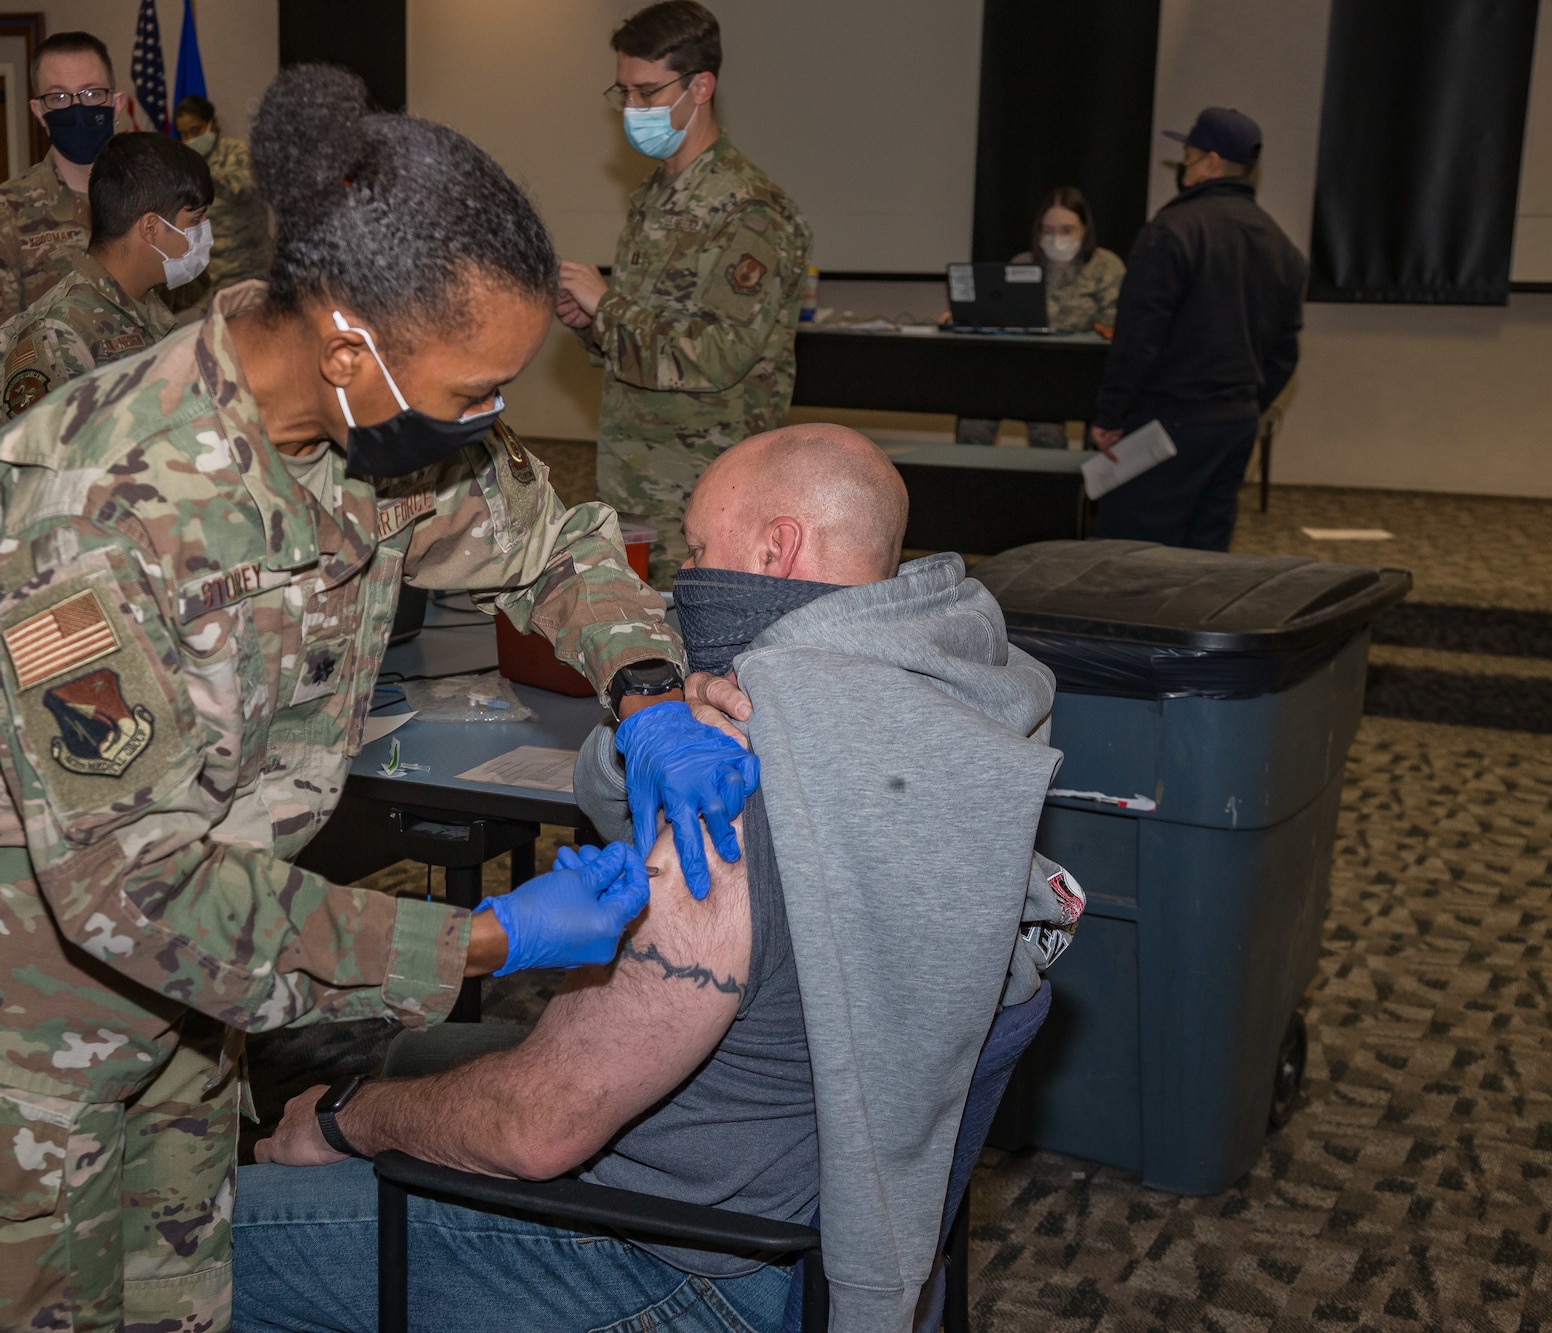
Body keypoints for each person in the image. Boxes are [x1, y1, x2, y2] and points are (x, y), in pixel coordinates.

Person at [0, 65, 760, 1332]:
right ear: (346, 344)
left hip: (198, 1004)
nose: (488, 419)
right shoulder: (83, 503)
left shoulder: (372, 432)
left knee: (180, 1307)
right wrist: (480, 942)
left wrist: (642, 689)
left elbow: (559, 542)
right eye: (469, 392)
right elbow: (130, 884)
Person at [234, 425, 1082, 1333]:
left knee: (188, 1246)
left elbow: (536, 1127)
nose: (685, 572)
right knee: (421, 1063)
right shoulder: (941, 696)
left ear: (774, 549)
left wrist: (343, 1119)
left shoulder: (735, 795)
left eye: (700, 548)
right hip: (790, 1199)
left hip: (674, 1263)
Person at [555, 0, 812, 585]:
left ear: (701, 87)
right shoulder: (654, 196)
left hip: (705, 496)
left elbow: (718, 355)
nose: (631, 108)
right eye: (622, 92)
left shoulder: (751, 209)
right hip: (632, 479)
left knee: (700, 663)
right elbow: (648, 336)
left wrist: (608, 303)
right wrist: (589, 321)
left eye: (647, 93)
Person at [1089, 107, 1307, 550]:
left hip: (1167, 424)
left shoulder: (1172, 232)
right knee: (1206, 559)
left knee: (1131, 557)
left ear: (1209, 162)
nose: (1181, 169)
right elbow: (1285, 354)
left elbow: (1138, 338)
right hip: (1235, 427)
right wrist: (1242, 405)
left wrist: (1111, 415)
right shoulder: (1284, 247)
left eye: (1186, 157)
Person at [0, 31, 136, 440]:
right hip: (52, 442)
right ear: (38, 110)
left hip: (144, 435)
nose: (77, 108)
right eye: (60, 98)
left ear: (116, 104)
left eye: (91, 94)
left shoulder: (152, 204)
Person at [0, 133, 210, 424]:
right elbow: (50, 464)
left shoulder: (147, 312)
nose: (206, 233)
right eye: (195, 221)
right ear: (151, 228)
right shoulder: (57, 336)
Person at [955, 186, 1124, 449]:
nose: (1056, 238)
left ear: (1084, 229)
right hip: (1023, 367)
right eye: (1047, 230)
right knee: (973, 423)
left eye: (1067, 230)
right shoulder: (1022, 263)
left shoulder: (1105, 266)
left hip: (1075, 371)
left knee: (1048, 433)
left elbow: (1112, 327)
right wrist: (969, 314)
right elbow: (1001, 318)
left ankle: (1054, 488)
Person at [166, 93, 274, 314]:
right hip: (207, 278)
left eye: (195, 131)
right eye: (184, 134)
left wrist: (203, 172)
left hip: (245, 273)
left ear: (212, 124)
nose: (190, 139)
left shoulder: (237, 152)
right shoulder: (185, 162)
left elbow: (244, 186)